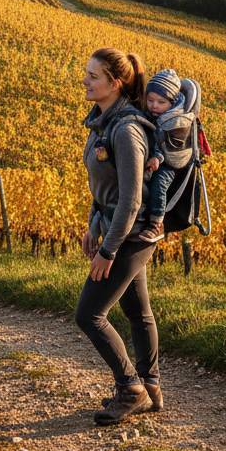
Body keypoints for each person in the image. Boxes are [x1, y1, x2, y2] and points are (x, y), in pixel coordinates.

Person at [76, 46, 164, 426]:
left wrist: (108, 250)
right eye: (87, 73)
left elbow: (130, 200)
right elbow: (104, 189)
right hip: (119, 229)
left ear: (114, 83)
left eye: (93, 76)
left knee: (89, 314)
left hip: (132, 234)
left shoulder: (126, 130)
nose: (85, 80)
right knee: (137, 312)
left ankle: (131, 388)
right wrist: (92, 225)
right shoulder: (103, 122)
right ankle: (151, 387)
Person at [138, 68, 196, 244]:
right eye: (150, 100)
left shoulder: (177, 122)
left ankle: (156, 223)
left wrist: (158, 158)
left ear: (172, 102)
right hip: (156, 155)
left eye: (160, 102)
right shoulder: (156, 113)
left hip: (170, 163)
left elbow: (170, 149)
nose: (154, 105)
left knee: (159, 184)